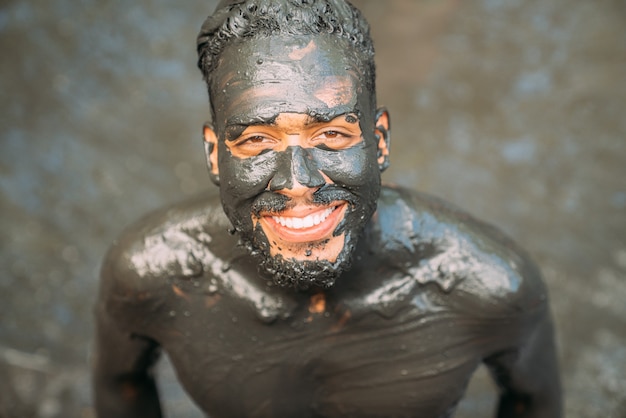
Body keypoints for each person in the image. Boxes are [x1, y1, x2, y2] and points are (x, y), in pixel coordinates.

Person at [92, 1, 562, 417]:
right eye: (257, 142)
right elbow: (121, 388)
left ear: (378, 143)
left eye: (332, 136)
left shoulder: (488, 286)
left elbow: (533, 403)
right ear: (216, 155)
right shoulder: (154, 275)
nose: (298, 183)